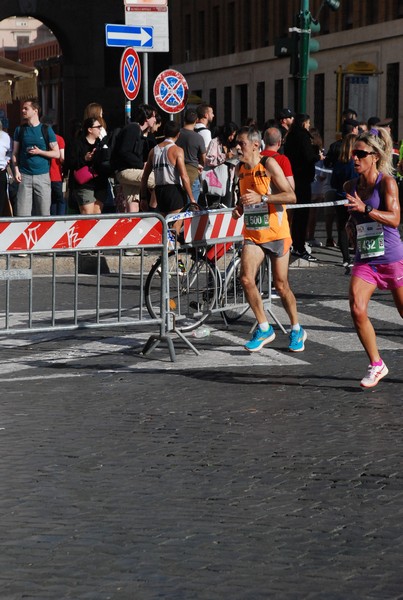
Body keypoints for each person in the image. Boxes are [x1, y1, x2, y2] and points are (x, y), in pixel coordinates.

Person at [231, 126, 307, 353]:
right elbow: (244, 196)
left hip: (277, 233)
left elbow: (291, 196)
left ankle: (296, 328)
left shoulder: (269, 164)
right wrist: (239, 207)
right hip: (254, 234)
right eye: (236, 143)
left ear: (255, 145)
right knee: (245, 278)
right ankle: (264, 327)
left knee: (281, 285)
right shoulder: (240, 169)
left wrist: (263, 196)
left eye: (241, 143)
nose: (237, 148)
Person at [344, 127, 403, 388]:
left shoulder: (387, 183)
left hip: (391, 258)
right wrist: (350, 225)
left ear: (375, 156)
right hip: (366, 258)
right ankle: (376, 363)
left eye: (360, 154)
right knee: (357, 308)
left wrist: (366, 209)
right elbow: (353, 217)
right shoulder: (349, 185)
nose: (354, 158)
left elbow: (395, 219)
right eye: (353, 154)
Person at [140, 120, 198, 236]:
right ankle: (171, 251)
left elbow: (144, 177)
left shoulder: (153, 150)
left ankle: (166, 251)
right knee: (174, 229)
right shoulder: (177, 150)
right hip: (173, 190)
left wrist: (143, 197)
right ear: (178, 134)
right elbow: (184, 176)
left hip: (159, 191)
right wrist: (192, 199)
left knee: (164, 228)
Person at [12, 100, 59, 216]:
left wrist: (40, 152)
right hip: (24, 176)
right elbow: (15, 153)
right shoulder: (20, 130)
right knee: (22, 214)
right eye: (22, 108)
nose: (23, 111)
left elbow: (56, 154)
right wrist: (16, 171)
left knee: (44, 213)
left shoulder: (46, 130)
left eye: (26, 108)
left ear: (35, 111)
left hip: (42, 176)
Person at [284, 113, 320, 261]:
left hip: (294, 178)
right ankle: (299, 245)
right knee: (302, 215)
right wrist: (318, 155)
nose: (309, 126)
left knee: (296, 213)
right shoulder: (303, 136)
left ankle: (295, 243)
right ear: (304, 123)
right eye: (308, 123)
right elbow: (308, 156)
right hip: (303, 179)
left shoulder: (290, 136)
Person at [113, 104, 157, 212]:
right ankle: (154, 212)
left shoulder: (136, 131)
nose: (155, 120)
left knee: (133, 206)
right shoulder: (133, 129)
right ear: (147, 118)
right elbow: (125, 152)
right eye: (154, 116)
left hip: (127, 171)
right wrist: (142, 165)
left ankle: (132, 224)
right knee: (159, 181)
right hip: (127, 171)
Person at [66, 117, 108, 214]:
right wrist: (84, 159)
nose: (100, 129)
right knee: (88, 215)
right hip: (84, 184)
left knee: (97, 214)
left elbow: (107, 159)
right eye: (98, 127)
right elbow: (70, 163)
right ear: (90, 130)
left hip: (100, 183)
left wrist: (104, 144)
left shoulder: (101, 144)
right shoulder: (77, 143)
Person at [330, 133, 358, 270]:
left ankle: (345, 258)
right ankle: (358, 254)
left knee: (341, 228)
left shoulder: (339, 163)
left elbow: (333, 182)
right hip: (353, 199)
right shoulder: (355, 165)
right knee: (356, 226)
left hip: (340, 197)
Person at [176, 108, 206, 203]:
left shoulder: (177, 134)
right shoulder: (198, 137)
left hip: (175, 174)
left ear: (184, 119)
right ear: (196, 120)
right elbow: (204, 159)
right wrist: (199, 165)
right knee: (191, 209)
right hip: (192, 173)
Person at [41, 116, 66, 216]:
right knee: (60, 200)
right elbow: (62, 158)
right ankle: (60, 221)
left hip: (43, 174)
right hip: (56, 174)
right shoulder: (59, 139)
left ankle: (51, 220)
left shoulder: (40, 138)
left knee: (49, 201)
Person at [0, 120, 12, 216]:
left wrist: (7, 160)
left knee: (2, 199)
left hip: (1, 171)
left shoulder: (5, 137)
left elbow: (11, 151)